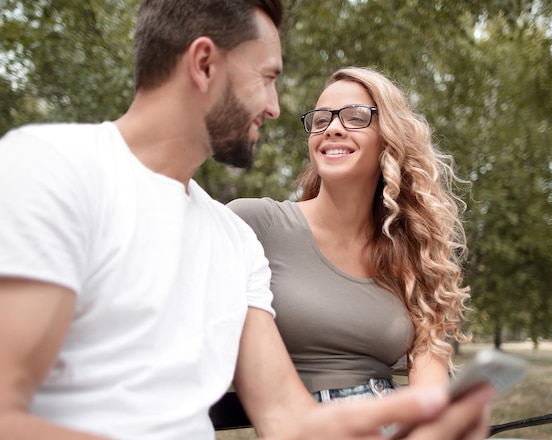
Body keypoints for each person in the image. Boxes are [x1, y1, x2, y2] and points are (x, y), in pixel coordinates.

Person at [0, 1, 495, 439]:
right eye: (267, 78)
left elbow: (288, 417)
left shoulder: (232, 240)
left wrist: (421, 421)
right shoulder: (51, 167)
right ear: (203, 64)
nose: (277, 109)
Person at [228, 66, 471, 402]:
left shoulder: (408, 249)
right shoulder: (257, 223)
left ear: (389, 138)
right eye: (321, 120)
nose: (333, 128)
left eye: (356, 117)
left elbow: (429, 368)